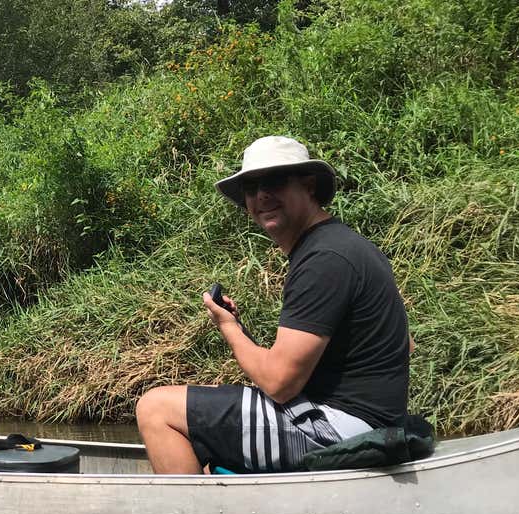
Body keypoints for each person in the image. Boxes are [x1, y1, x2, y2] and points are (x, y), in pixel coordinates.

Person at [135, 136, 412, 474]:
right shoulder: (340, 244)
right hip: (359, 416)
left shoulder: (324, 259)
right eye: (251, 187)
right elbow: (404, 345)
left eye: (275, 181)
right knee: (198, 426)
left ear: (308, 186)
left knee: (156, 408)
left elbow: (280, 384)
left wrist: (228, 328)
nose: (261, 195)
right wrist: (240, 331)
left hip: (342, 428)